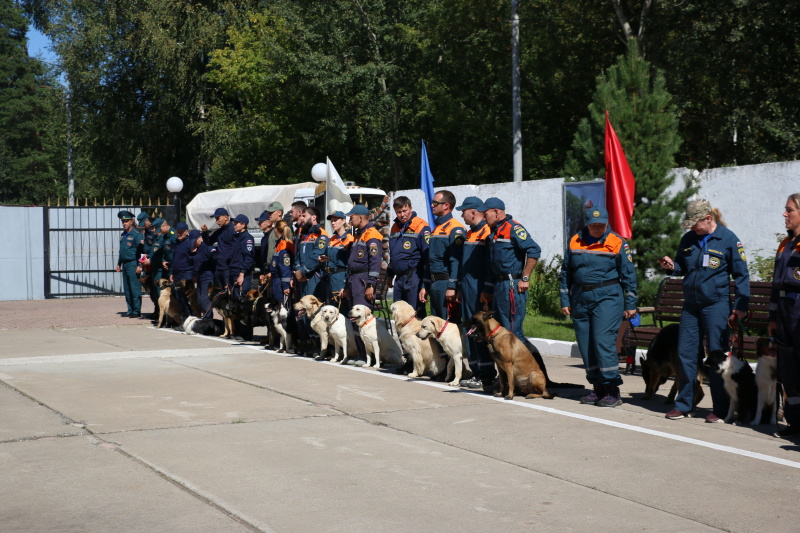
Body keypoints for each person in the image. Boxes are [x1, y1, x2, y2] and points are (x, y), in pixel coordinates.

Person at [659, 198, 749, 422]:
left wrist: (740, 307)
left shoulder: (728, 240)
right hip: (691, 305)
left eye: (695, 223)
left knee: (717, 355)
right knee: (686, 354)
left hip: (716, 305)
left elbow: (741, 275)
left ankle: (720, 409)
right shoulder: (689, 239)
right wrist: (672, 267)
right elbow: (682, 265)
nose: (692, 227)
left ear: (708, 219)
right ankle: (684, 404)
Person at [560, 207, 638, 407]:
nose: (597, 228)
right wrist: (565, 300)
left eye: (601, 225)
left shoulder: (617, 242)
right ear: (586, 223)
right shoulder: (575, 241)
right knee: (586, 345)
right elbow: (566, 272)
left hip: (608, 297)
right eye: (593, 225)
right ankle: (597, 388)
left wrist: (630, 303)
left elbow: (628, 275)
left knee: (602, 341)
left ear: (606, 223)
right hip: (580, 297)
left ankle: (612, 389)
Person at [479, 197, 540, 343]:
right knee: (500, 331)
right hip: (499, 286)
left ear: (496, 211)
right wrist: (487, 289)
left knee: (512, 332)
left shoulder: (513, 228)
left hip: (511, 286)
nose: (484, 217)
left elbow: (534, 250)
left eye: (485, 213)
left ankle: (523, 365)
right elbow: (492, 264)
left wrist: (525, 278)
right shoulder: (494, 232)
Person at [769, 193, 800, 437]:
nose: (785, 214)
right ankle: (794, 422)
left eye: (789, 210)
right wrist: (771, 318)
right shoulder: (784, 244)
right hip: (783, 315)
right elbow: (775, 286)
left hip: (799, 313)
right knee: (789, 373)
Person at [455, 196, 494, 390]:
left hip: (479, 290)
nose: (461, 215)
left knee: (479, 331)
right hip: (468, 289)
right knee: (469, 330)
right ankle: (475, 370)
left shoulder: (487, 233)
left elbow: (489, 265)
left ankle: (485, 374)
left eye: (463, 211)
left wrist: (486, 290)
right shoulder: (470, 233)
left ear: (473, 212)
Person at [420, 190, 465, 319]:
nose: (432, 205)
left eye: (435, 203)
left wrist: (452, 286)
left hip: (446, 283)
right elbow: (430, 260)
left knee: (448, 325)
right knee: (436, 325)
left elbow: (456, 260)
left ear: (446, 205)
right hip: (435, 284)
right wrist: (425, 285)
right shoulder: (436, 228)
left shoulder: (456, 229)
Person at [387, 196, 430, 312]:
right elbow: (393, 254)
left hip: (414, 276)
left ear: (410, 208)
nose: (402, 215)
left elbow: (427, 257)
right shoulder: (395, 227)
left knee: (414, 313)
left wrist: (424, 284)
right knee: (398, 313)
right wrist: (389, 274)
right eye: (398, 212)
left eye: (404, 211)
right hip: (399, 278)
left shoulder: (421, 226)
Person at [344, 204, 383, 309]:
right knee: (354, 318)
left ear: (360, 218)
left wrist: (370, 285)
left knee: (362, 319)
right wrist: (347, 286)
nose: (349, 221)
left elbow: (375, 261)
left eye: (351, 217)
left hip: (363, 282)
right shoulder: (358, 236)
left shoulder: (371, 234)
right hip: (354, 281)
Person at [294, 206, 329, 299]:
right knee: (303, 307)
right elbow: (298, 255)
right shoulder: (305, 235)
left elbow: (317, 256)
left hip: (314, 276)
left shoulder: (321, 235)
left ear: (314, 217)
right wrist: (298, 270)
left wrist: (303, 271)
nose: (301, 218)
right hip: (302, 276)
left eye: (304, 216)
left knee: (312, 307)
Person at [322, 211, 355, 310]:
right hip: (330, 277)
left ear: (344, 221)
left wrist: (345, 285)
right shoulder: (332, 239)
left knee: (341, 308)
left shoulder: (349, 239)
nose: (333, 223)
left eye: (335, 220)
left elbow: (349, 263)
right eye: (331, 221)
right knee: (332, 308)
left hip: (340, 277)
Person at [115, 210, 144, 317]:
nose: (124, 223)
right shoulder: (123, 235)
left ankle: (137, 310)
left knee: (134, 287)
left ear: (131, 221)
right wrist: (119, 263)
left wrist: (140, 265)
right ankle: (130, 309)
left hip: (133, 263)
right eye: (123, 221)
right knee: (127, 288)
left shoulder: (137, 234)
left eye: (126, 221)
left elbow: (142, 251)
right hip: (125, 264)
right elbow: (122, 250)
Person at [201, 207, 236, 290]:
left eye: (218, 218)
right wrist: (205, 232)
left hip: (228, 267)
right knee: (219, 293)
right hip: (219, 267)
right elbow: (209, 242)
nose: (216, 221)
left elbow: (237, 248)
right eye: (215, 219)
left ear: (225, 217)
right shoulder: (220, 231)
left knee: (229, 293)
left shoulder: (233, 229)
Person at [170, 223, 196, 320]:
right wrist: (171, 273)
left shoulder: (190, 243)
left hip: (186, 275)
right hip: (177, 274)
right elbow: (174, 259)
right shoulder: (176, 243)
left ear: (186, 232)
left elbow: (193, 259)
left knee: (185, 299)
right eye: (178, 232)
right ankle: (186, 319)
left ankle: (191, 318)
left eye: (181, 232)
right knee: (179, 298)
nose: (179, 234)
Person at [191, 230, 217, 319]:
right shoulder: (195, 249)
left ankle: (208, 320)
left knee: (205, 299)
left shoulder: (208, 247)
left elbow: (215, 260)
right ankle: (205, 317)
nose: (193, 243)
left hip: (207, 276)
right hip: (199, 276)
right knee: (199, 299)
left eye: (195, 240)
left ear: (200, 238)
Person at [270, 220, 295, 304]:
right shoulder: (280, 243)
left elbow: (285, 268)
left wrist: (285, 286)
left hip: (281, 282)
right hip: (277, 281)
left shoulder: (285, 246)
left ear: (276, 229)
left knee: (281, 309)